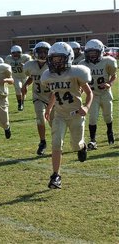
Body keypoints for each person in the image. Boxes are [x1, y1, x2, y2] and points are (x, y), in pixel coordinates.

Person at [42, 42, 93, 189]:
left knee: (76, 145)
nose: (56, 62)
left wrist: (86, 106)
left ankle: (82, 147)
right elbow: (55, 93)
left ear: (68, 58)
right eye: (54, 59)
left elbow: (89, 92)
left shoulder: (77, 72)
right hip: (59, 115)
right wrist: (49, 108)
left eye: (60, 59)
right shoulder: (48, 75)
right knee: (56, 144)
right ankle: (55, 175)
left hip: (76, 114)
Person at [79, 39, 117, 149]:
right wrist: (81, 91)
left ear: (100, 52)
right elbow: (81, 81)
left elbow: (114, 75)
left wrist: (109, 84)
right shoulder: (83, 64)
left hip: (105, 93)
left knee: (108, 115)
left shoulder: (108, 61)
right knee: (92, 117)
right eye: (89, 53)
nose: (91, 55)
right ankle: (93, 140)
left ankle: (110, 132)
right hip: (92, 94)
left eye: (94, 53)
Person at [22, 41, 53, 155]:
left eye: (45, 52)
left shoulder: (52, 65)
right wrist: (25, 85)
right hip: (38, 96)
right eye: (40, 52)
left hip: (52, 97)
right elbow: (32, 77)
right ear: (35, 53)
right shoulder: (30, 65)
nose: (43, 55)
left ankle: (57, 141)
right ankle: (42, 142)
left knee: (53, 122)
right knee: (40, 118)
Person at [4, 45, 32, 111]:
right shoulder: (8, 58)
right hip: (15, 76)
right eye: (14, 53)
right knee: (18, 88)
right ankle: (20, 104)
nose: (16, 55)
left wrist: (24, 66)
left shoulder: (26, 57)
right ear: (11, 53)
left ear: (21, 53)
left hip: (24, 76)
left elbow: (30, 67)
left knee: (24, 90)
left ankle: (22, 102)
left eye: (18, 53)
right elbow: (5, 67)